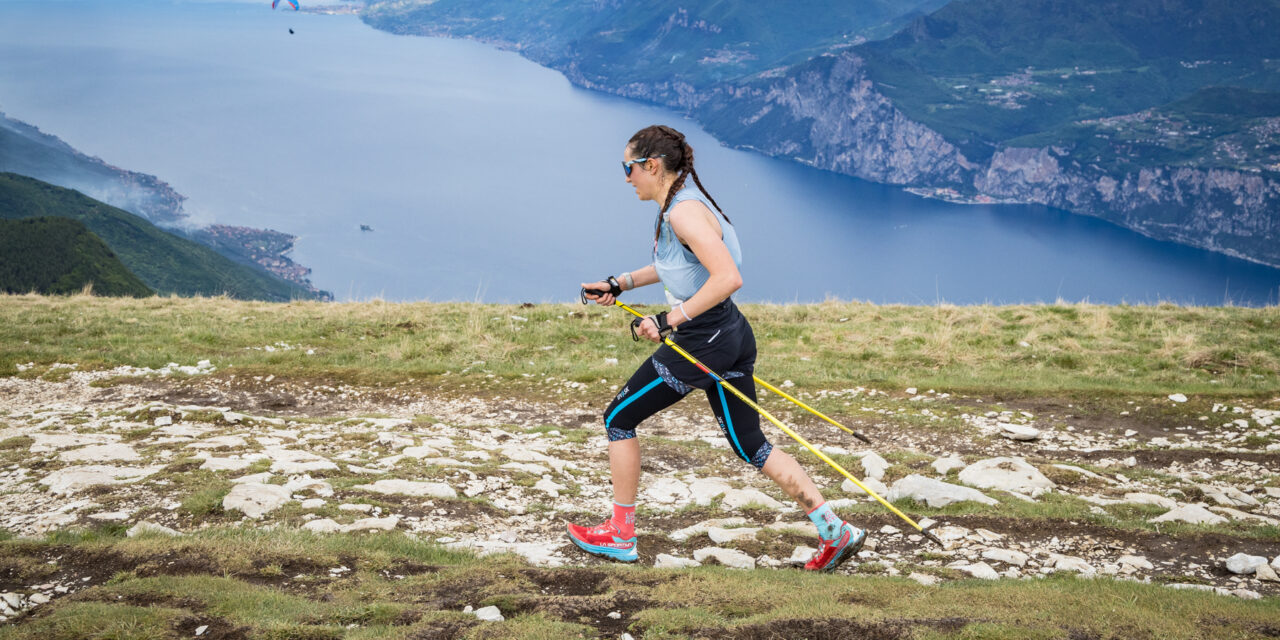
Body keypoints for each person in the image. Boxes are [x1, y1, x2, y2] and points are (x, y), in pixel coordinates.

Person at [569, 124, 866, 572]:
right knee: (751, 445)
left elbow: (728, 277)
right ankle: (834, 530)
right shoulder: (682, 203)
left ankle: (620, 535)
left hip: (704, 339)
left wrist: (668, 320)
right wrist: (619, 283)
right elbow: (676, 264)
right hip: (729, 333)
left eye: (627, 168)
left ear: (652, 166)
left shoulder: (683, 213)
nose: (626, 178)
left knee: (618, 417)